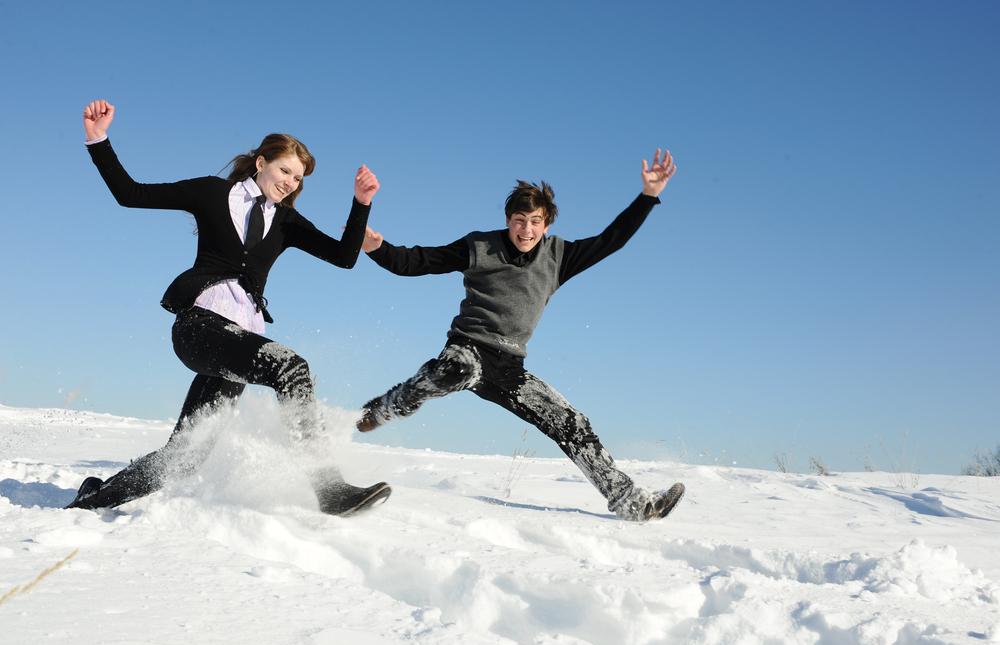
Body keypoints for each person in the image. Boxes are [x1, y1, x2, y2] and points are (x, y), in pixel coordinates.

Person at [66, 99, 389, 515]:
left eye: (299, 178)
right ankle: (327, 488)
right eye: (285, 170)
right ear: (261, 163)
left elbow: (344, 257)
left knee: (185, 457)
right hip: (199, 326)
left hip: (240, 338)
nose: (291, 182)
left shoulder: (286, 221)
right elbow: (130, 194)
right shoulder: (213, 193)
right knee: (291, 367)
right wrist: (99, 140)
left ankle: (93, 499)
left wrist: (361, 203)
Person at [356, 149, 683, 521]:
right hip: (468, 349)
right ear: (508, 220)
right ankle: (388, 406)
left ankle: (633, 503)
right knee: (456, 371)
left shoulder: (560, 256)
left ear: (547, 224)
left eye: (535, 222)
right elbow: (416, 262)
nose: (526, 230)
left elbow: (612, 239)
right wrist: (377, 249)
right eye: (519, 220)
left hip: (510, 367)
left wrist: (648, 196)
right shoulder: (479, 247)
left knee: (571, 423)